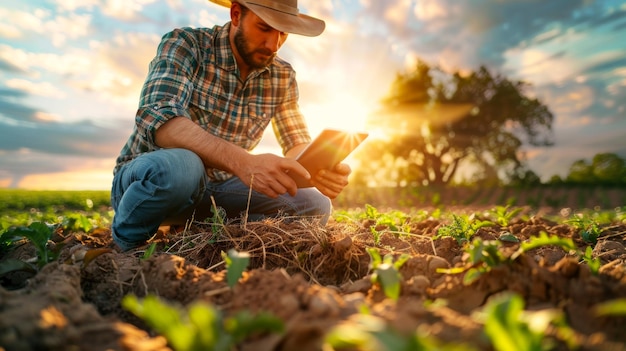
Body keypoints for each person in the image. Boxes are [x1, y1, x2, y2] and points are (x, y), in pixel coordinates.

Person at [110, 0, 352, 251]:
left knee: (314, 204)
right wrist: (245, 163)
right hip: (152, 181)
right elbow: (160, 120)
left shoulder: (283, 76)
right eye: (264, 28)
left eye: (283, 33)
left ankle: (206, 235)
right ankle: (127, 248)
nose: (273, 45)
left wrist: (316, 170)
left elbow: (296, 140)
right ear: (236, 14)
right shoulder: (187, 44)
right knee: (185, 166)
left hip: (221, 191)